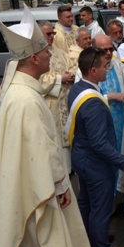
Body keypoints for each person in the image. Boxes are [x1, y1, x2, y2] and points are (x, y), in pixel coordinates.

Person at [0, 5, 89, 247]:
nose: (49, 55)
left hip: (20, 185)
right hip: (36, 191)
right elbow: (41, 150)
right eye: (45, 52)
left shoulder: (13, 91)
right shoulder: (26, 99)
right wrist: (59, 187)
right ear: (33, 58)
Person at [66, 47, 124, 247]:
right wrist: (123, 162)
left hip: (81, 158)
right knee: (100, 208)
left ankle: (92, 239)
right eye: (104, 67)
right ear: (93, 70)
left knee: (86, 202)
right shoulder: (93, 102)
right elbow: (99, 142)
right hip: (95, 163)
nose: (107, 70)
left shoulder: (78, 89)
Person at [91, 34, 124, 195]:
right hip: (101, 124)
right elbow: (85, 98)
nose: (108, 53)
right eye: (104, 50)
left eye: (110, 49)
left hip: (120, 121)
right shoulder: (87, 69)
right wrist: (110, 96)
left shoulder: (118, 65)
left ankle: (120, 193)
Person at [38, 21, 76, 169]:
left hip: (66, 102)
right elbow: (39, 81)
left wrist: (71, 74)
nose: (52, 36)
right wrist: (60, 78)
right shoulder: (36, 57)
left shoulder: (60, 53)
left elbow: (73, 66)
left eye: (53, 33)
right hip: (50, 105)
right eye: (48, 34)